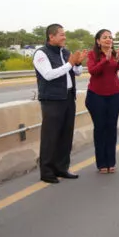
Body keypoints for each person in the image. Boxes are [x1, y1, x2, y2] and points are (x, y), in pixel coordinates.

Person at [33, 24, 87, 184]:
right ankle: (47, 172)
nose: (64, 37)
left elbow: (77, 73)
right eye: (61, 34)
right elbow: (48, 75)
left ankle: (62, 168)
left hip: (68, 97)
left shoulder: (65, 52)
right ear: (51, 36)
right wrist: (70, 64)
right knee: (51, 136)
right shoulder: (41, 53)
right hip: (52, 100)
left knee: (66, 135)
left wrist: (77, 63)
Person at [86, 29, 119, 174]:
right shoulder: (92, 55)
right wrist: (105, 60)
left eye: (110, 37)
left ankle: (111, 162)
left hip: (114, 95)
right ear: (98, 41)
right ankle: (101, 163)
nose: (108, 39)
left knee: (111, 128)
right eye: (105, 37)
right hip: (96, 96)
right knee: (100, 129)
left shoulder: (116, 54)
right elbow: (93, 71)